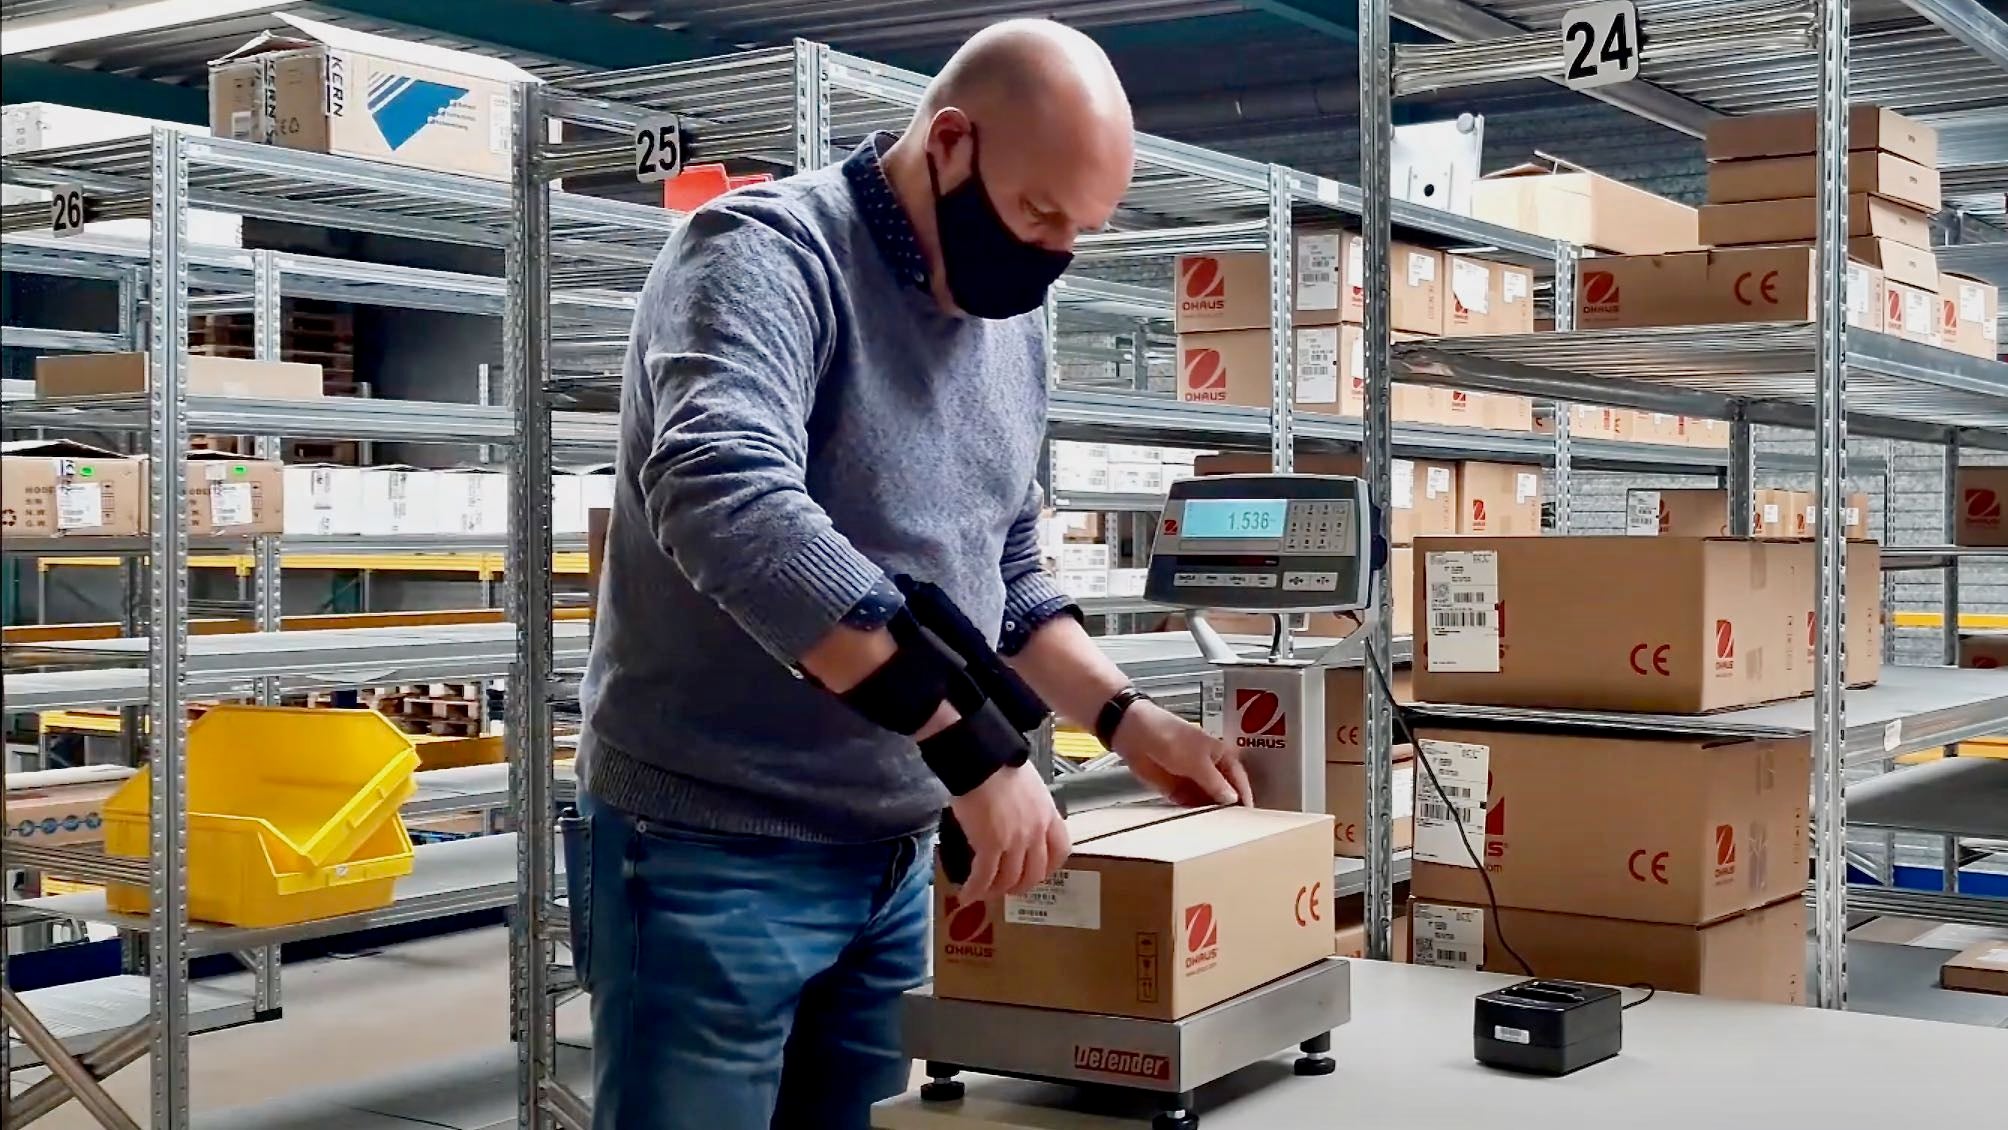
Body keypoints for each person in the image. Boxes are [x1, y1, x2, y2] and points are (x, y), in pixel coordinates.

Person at [569, 18, 1252, 1130]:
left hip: (895, 854)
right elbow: (723, 498)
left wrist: (1128, 721)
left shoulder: (1008, 322)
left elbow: (1006, 558)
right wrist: (972, 746)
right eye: (1037, 215)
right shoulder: (762, 254)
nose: (1050, 257)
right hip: (713, 847)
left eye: (1080, 232)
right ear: (948, 144)